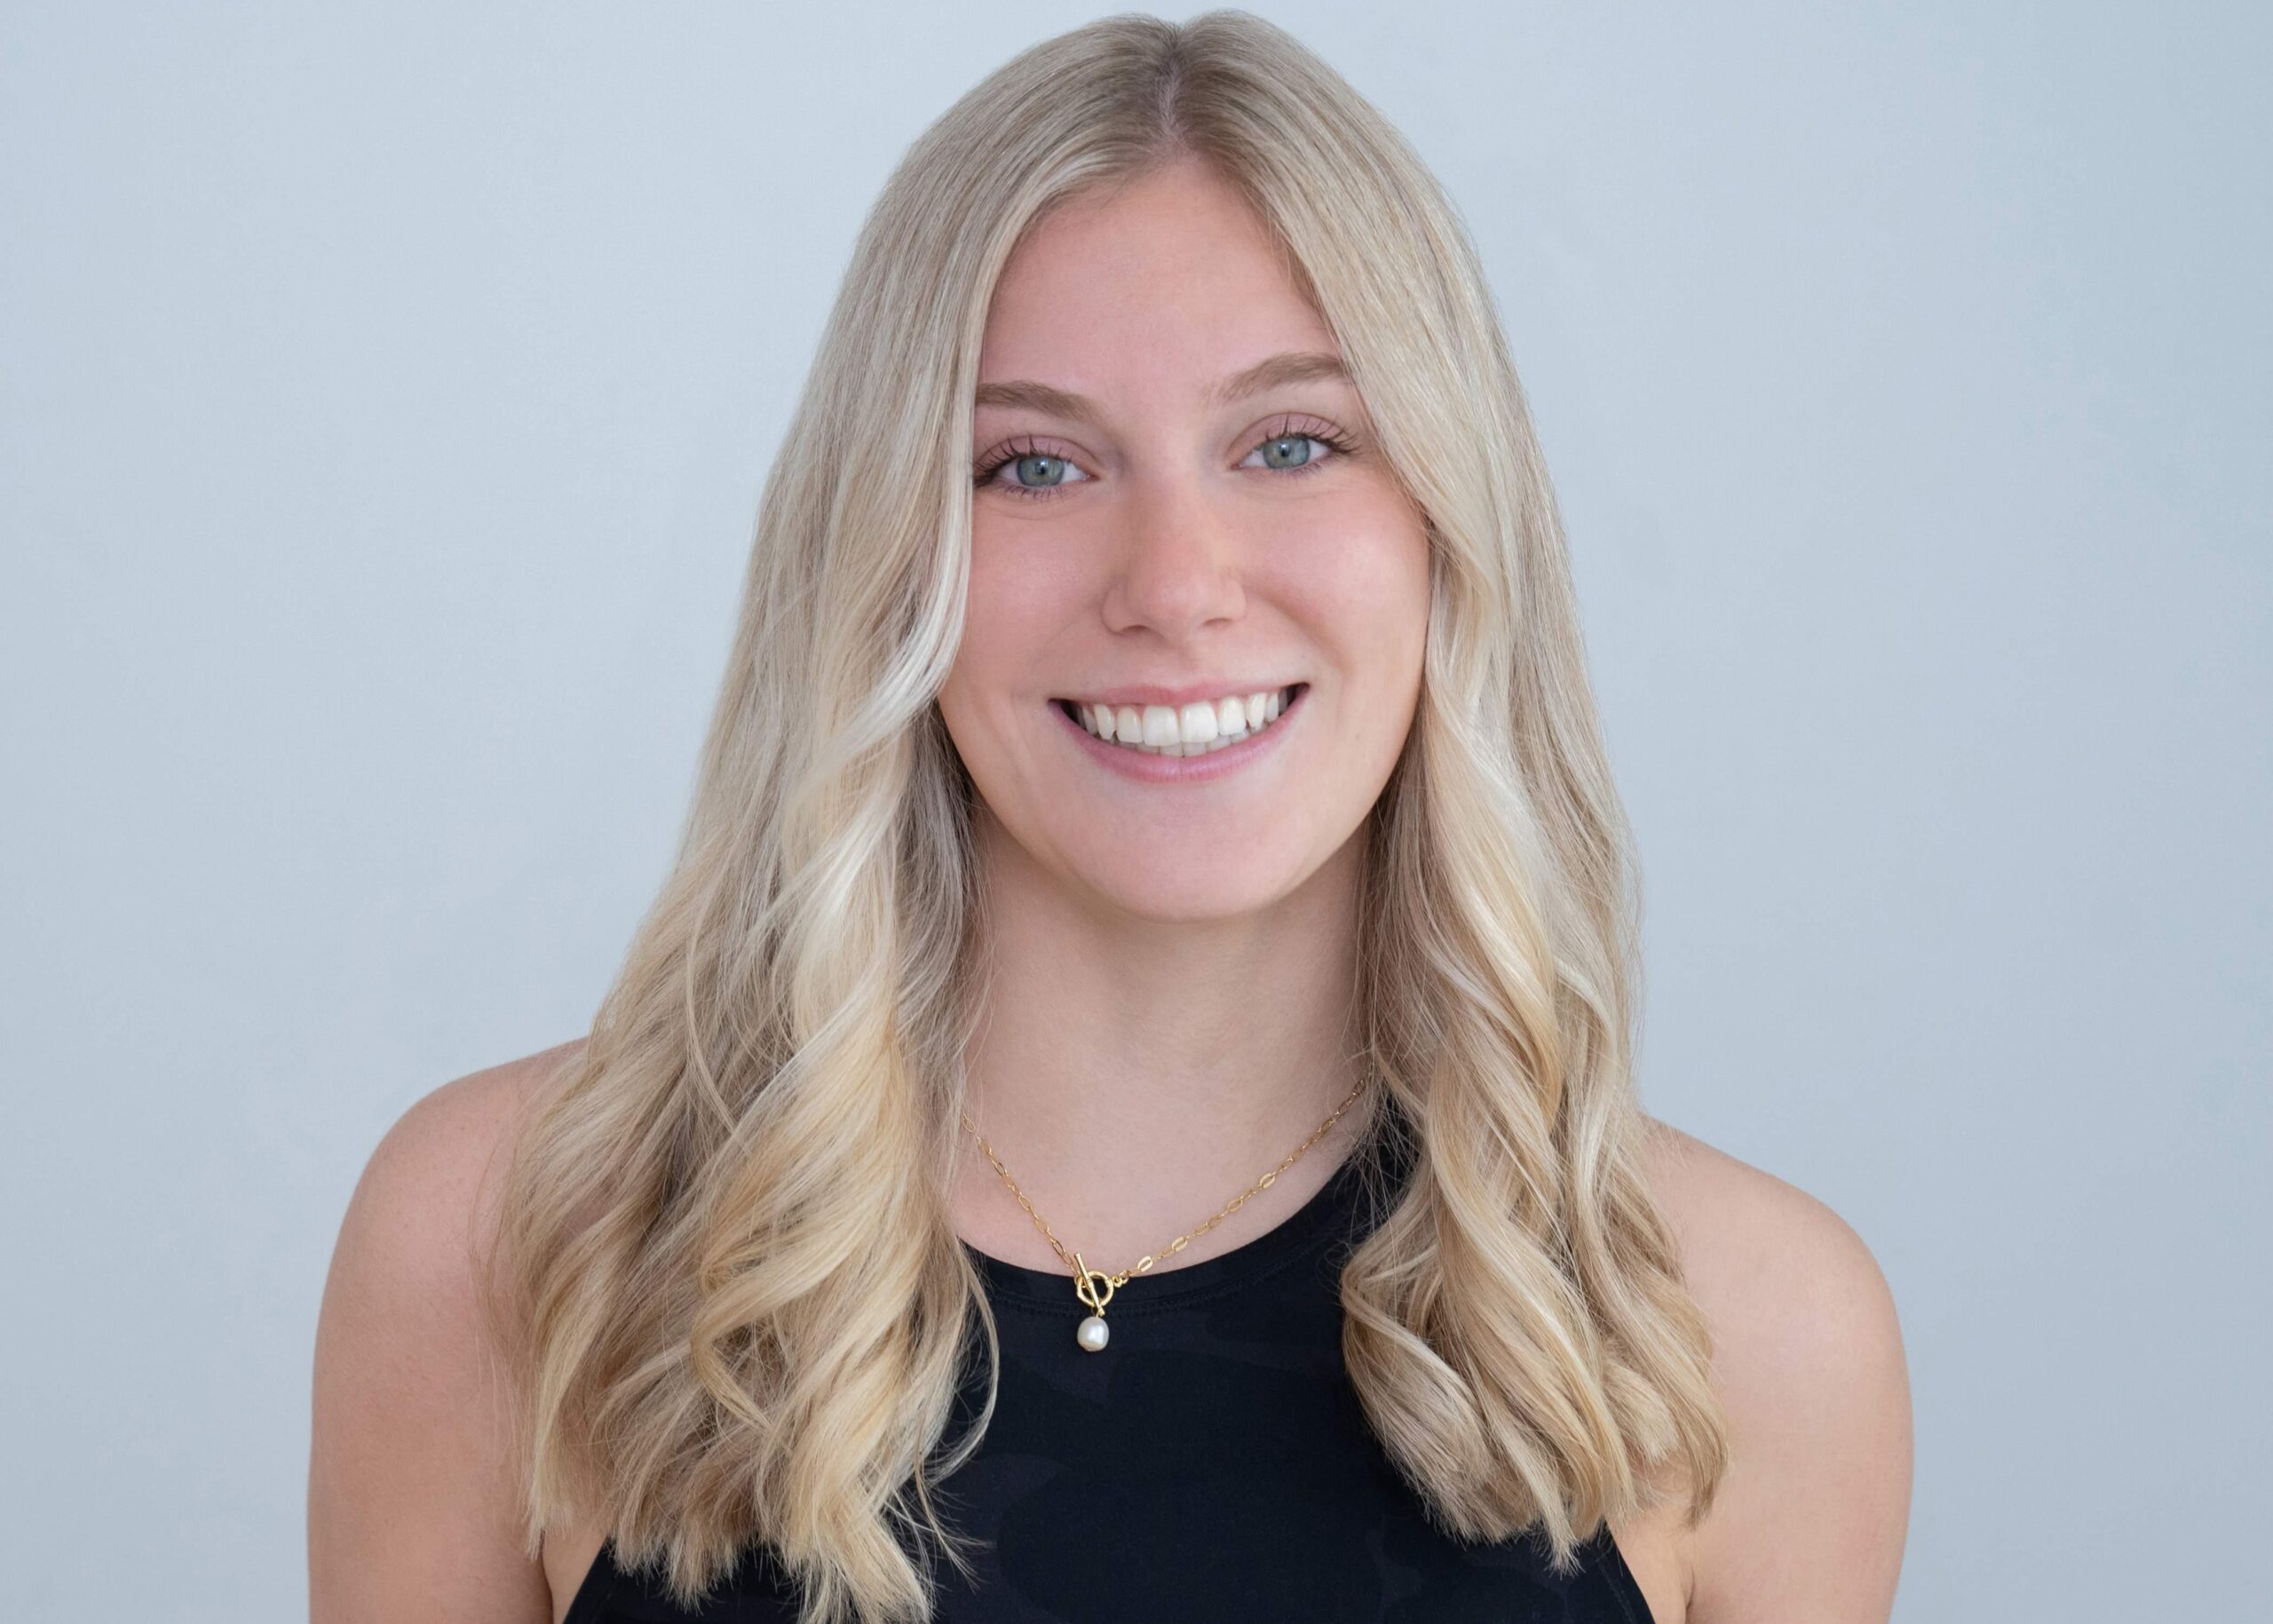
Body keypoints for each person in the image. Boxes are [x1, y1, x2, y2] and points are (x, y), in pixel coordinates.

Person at [309, 12, 1911, 1623]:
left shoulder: (1745, 1328)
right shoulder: (511, 1245)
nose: (1175, 586)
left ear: (1449, 523)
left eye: (1293, 442)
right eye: (1034, 467)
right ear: (887, 558)